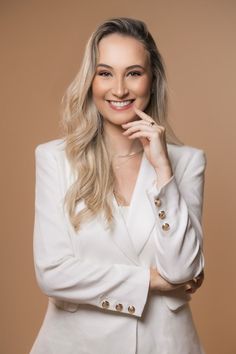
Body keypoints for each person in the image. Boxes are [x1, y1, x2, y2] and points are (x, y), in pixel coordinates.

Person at [30, 17, 206, 354]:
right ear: (90, 81)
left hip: (165, 344)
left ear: (152, 81)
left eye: (134, 73)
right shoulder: (55, 159)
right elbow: (52, 272)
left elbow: (183, 268)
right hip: (75, 345)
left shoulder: (187, 162)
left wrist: (163, 169)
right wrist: (152, 281)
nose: (120, 89)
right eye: (105, 73)